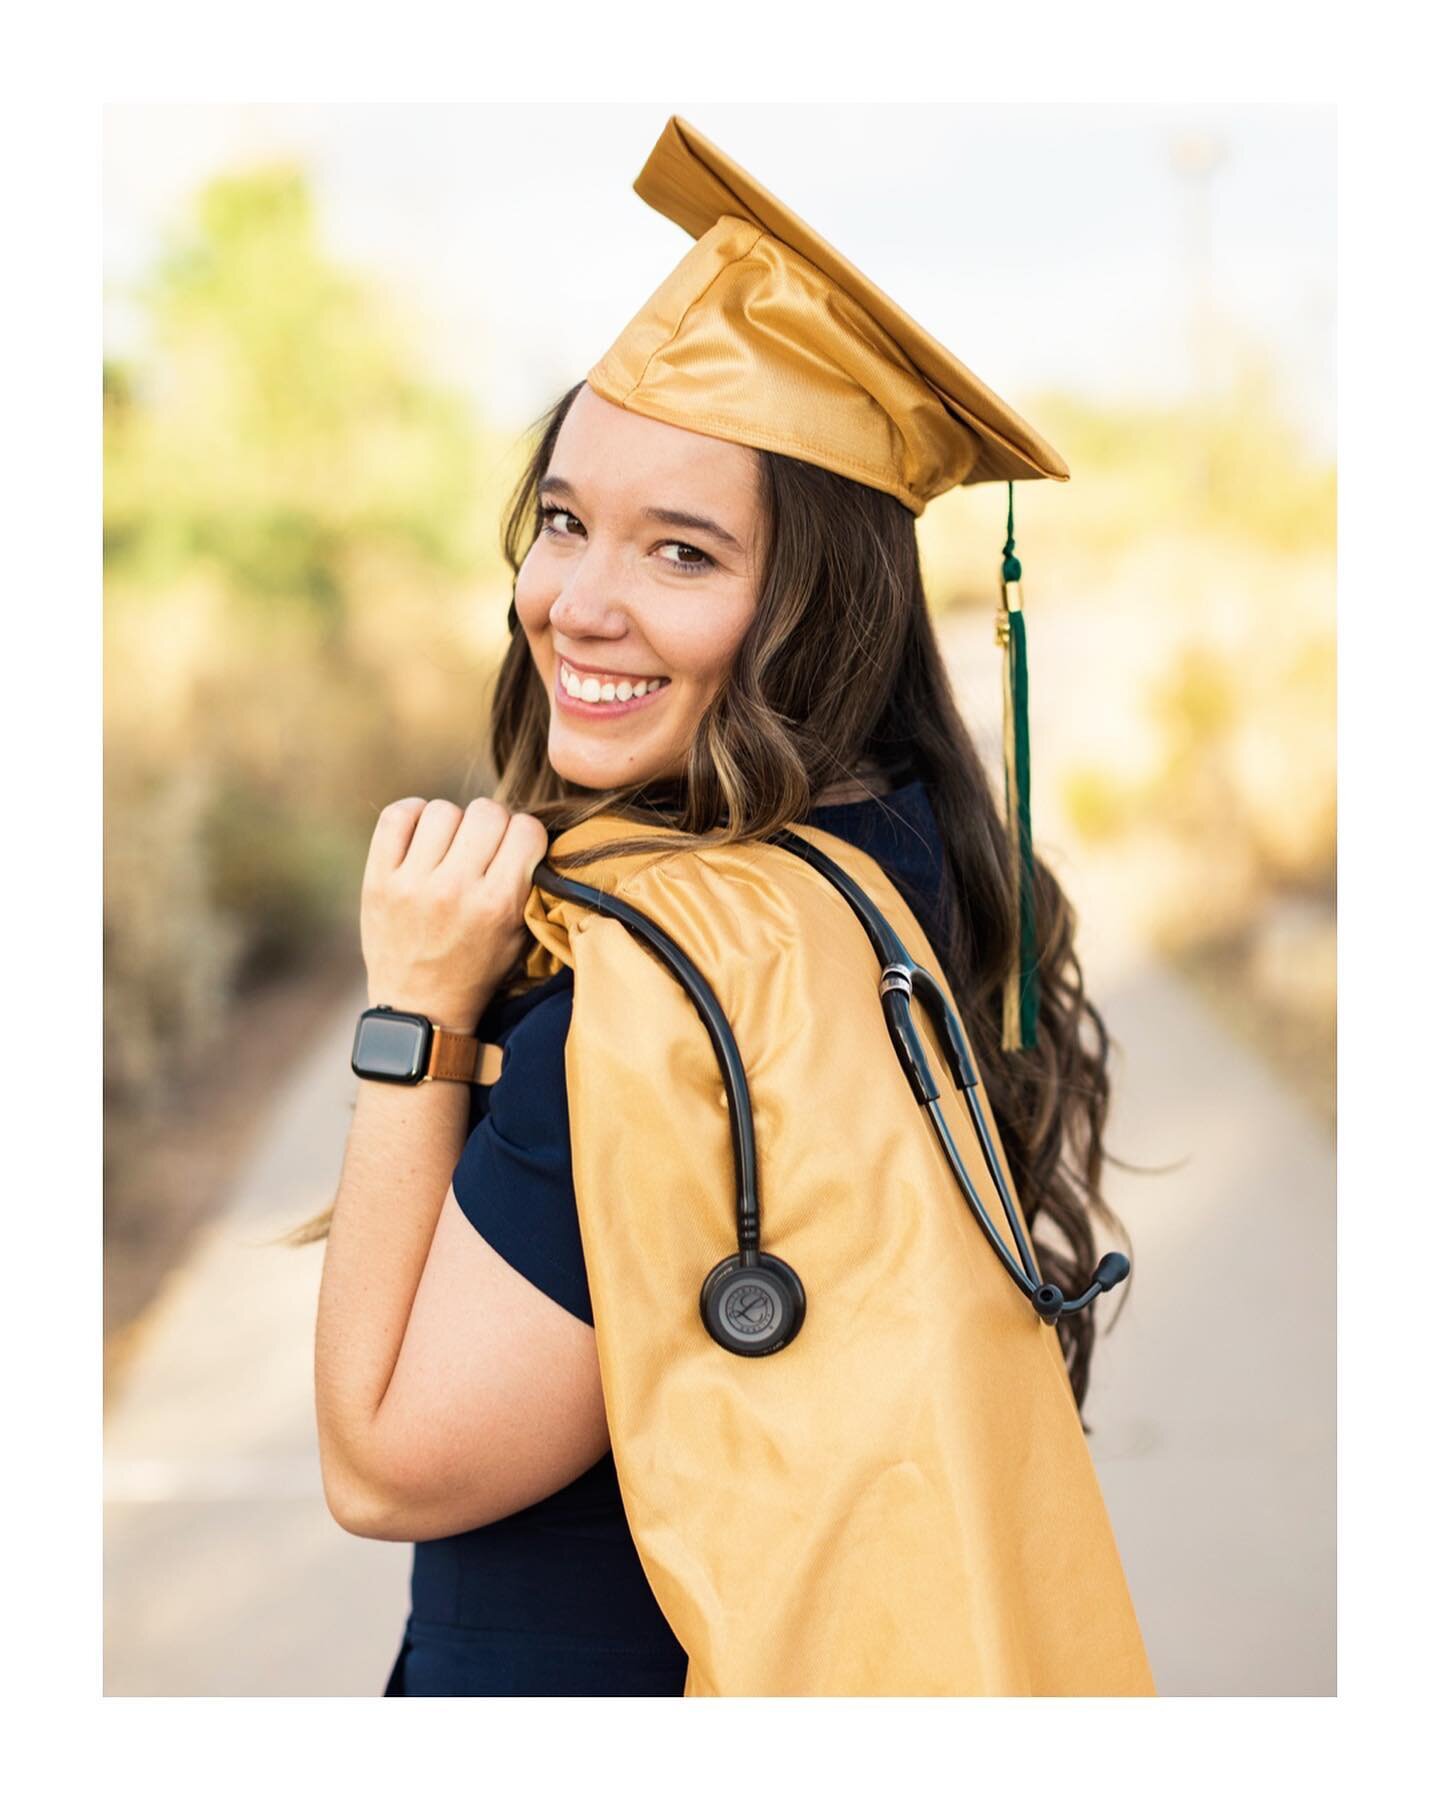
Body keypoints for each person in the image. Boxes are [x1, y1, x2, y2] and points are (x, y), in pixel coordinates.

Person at [293, 115, 1150, 1697]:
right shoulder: (900, 863)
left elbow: (389, 1467)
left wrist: (415, 1008)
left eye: (680, 551)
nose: (576, 602)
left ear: (822, 605)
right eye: (562, 519)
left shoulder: (666, 984)